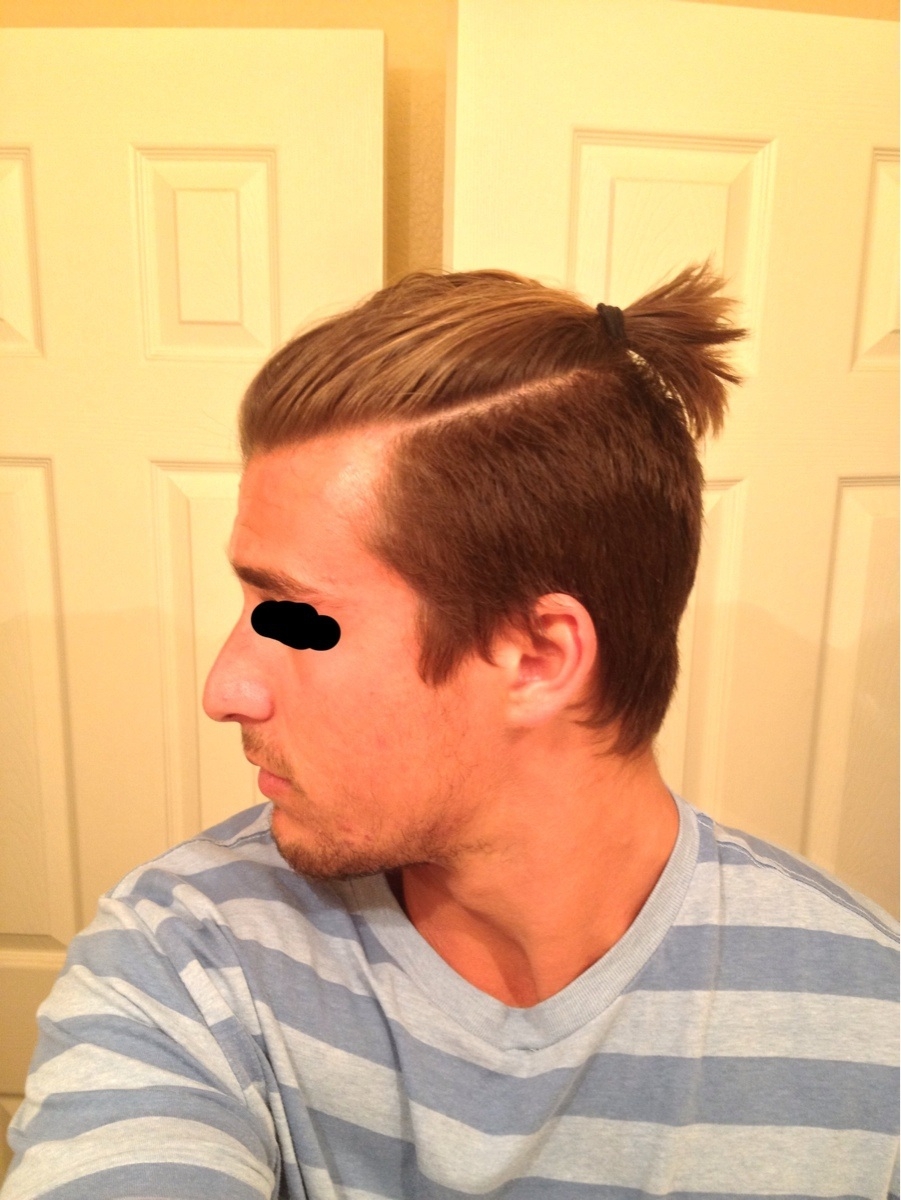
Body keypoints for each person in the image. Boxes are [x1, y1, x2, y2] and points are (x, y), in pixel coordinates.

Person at [2, 264, 898, 1199]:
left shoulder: (869, 1023)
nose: (225, 690)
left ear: (536, 656)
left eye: (294, 617)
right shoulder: (185, 952)